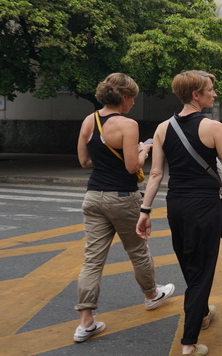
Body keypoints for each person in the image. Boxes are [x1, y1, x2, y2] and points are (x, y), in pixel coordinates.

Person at [137, 70, 222, 356]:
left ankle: (203, 311)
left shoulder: (162, 128)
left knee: (189, 263)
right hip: (204, 206)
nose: (215, 94)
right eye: (210, 89)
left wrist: (145, 210)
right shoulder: (213, 127)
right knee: (202, 271)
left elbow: (156, 173)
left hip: (176, 205)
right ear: (196, 95)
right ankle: (189, 344)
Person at [74, 73, 175, 343]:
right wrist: (144, 150)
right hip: (122, 196)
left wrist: (107, 159)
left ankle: (85, 322)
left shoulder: (89, 120)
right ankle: (152, 295)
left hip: (93, 196)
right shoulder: (127, 125)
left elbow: (84, 161)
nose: (133, 103)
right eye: (133, 98)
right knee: (137, 250)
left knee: (92, 259)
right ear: (125, 97)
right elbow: (133, 167)